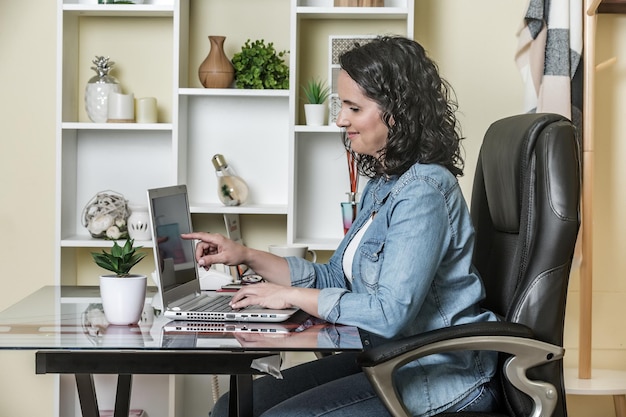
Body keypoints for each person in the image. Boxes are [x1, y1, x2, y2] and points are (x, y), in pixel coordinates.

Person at [182, 36, 501, 417]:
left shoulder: (424, 192)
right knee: (233, 407)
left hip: (437, 372)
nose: (339, 120)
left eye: (354, 107)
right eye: (341, 105)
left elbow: (389, 312)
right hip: (389, 357)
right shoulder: (385, 184)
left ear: (396, 112)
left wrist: (290, 297)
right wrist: (245, 255)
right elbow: (334, 276)